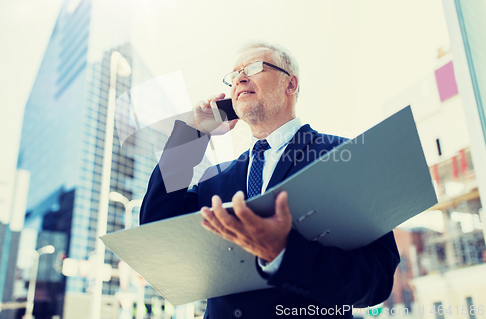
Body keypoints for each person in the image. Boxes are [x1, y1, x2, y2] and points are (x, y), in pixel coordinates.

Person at [140, 41, 400, 318]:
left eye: (253, 68)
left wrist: (283, 253)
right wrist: (193, 134)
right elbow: (155, 225)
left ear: (290, 85)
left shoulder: (344, 156)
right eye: (234, 76)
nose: (239, 78)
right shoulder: (214, 179)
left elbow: (377, 279)